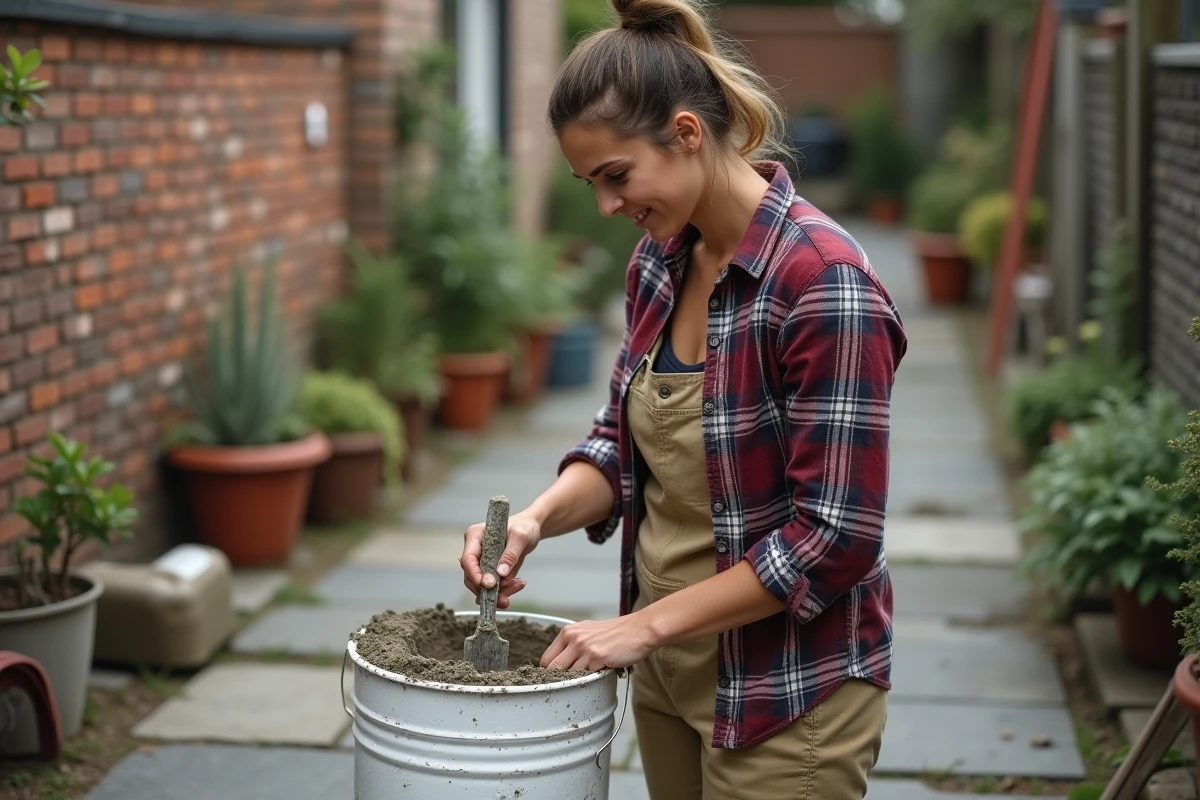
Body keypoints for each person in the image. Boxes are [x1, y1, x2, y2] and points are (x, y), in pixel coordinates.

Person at [459, 0, 908, 796]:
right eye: (588, 183)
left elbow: (835, 539)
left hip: (783, 694)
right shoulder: (658, 265)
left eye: (616, 177)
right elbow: (619, 444)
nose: (605, 205)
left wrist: (641, 625)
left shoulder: (822, 285)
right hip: (666, 672)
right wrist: (534, 521)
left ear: (688, 133)